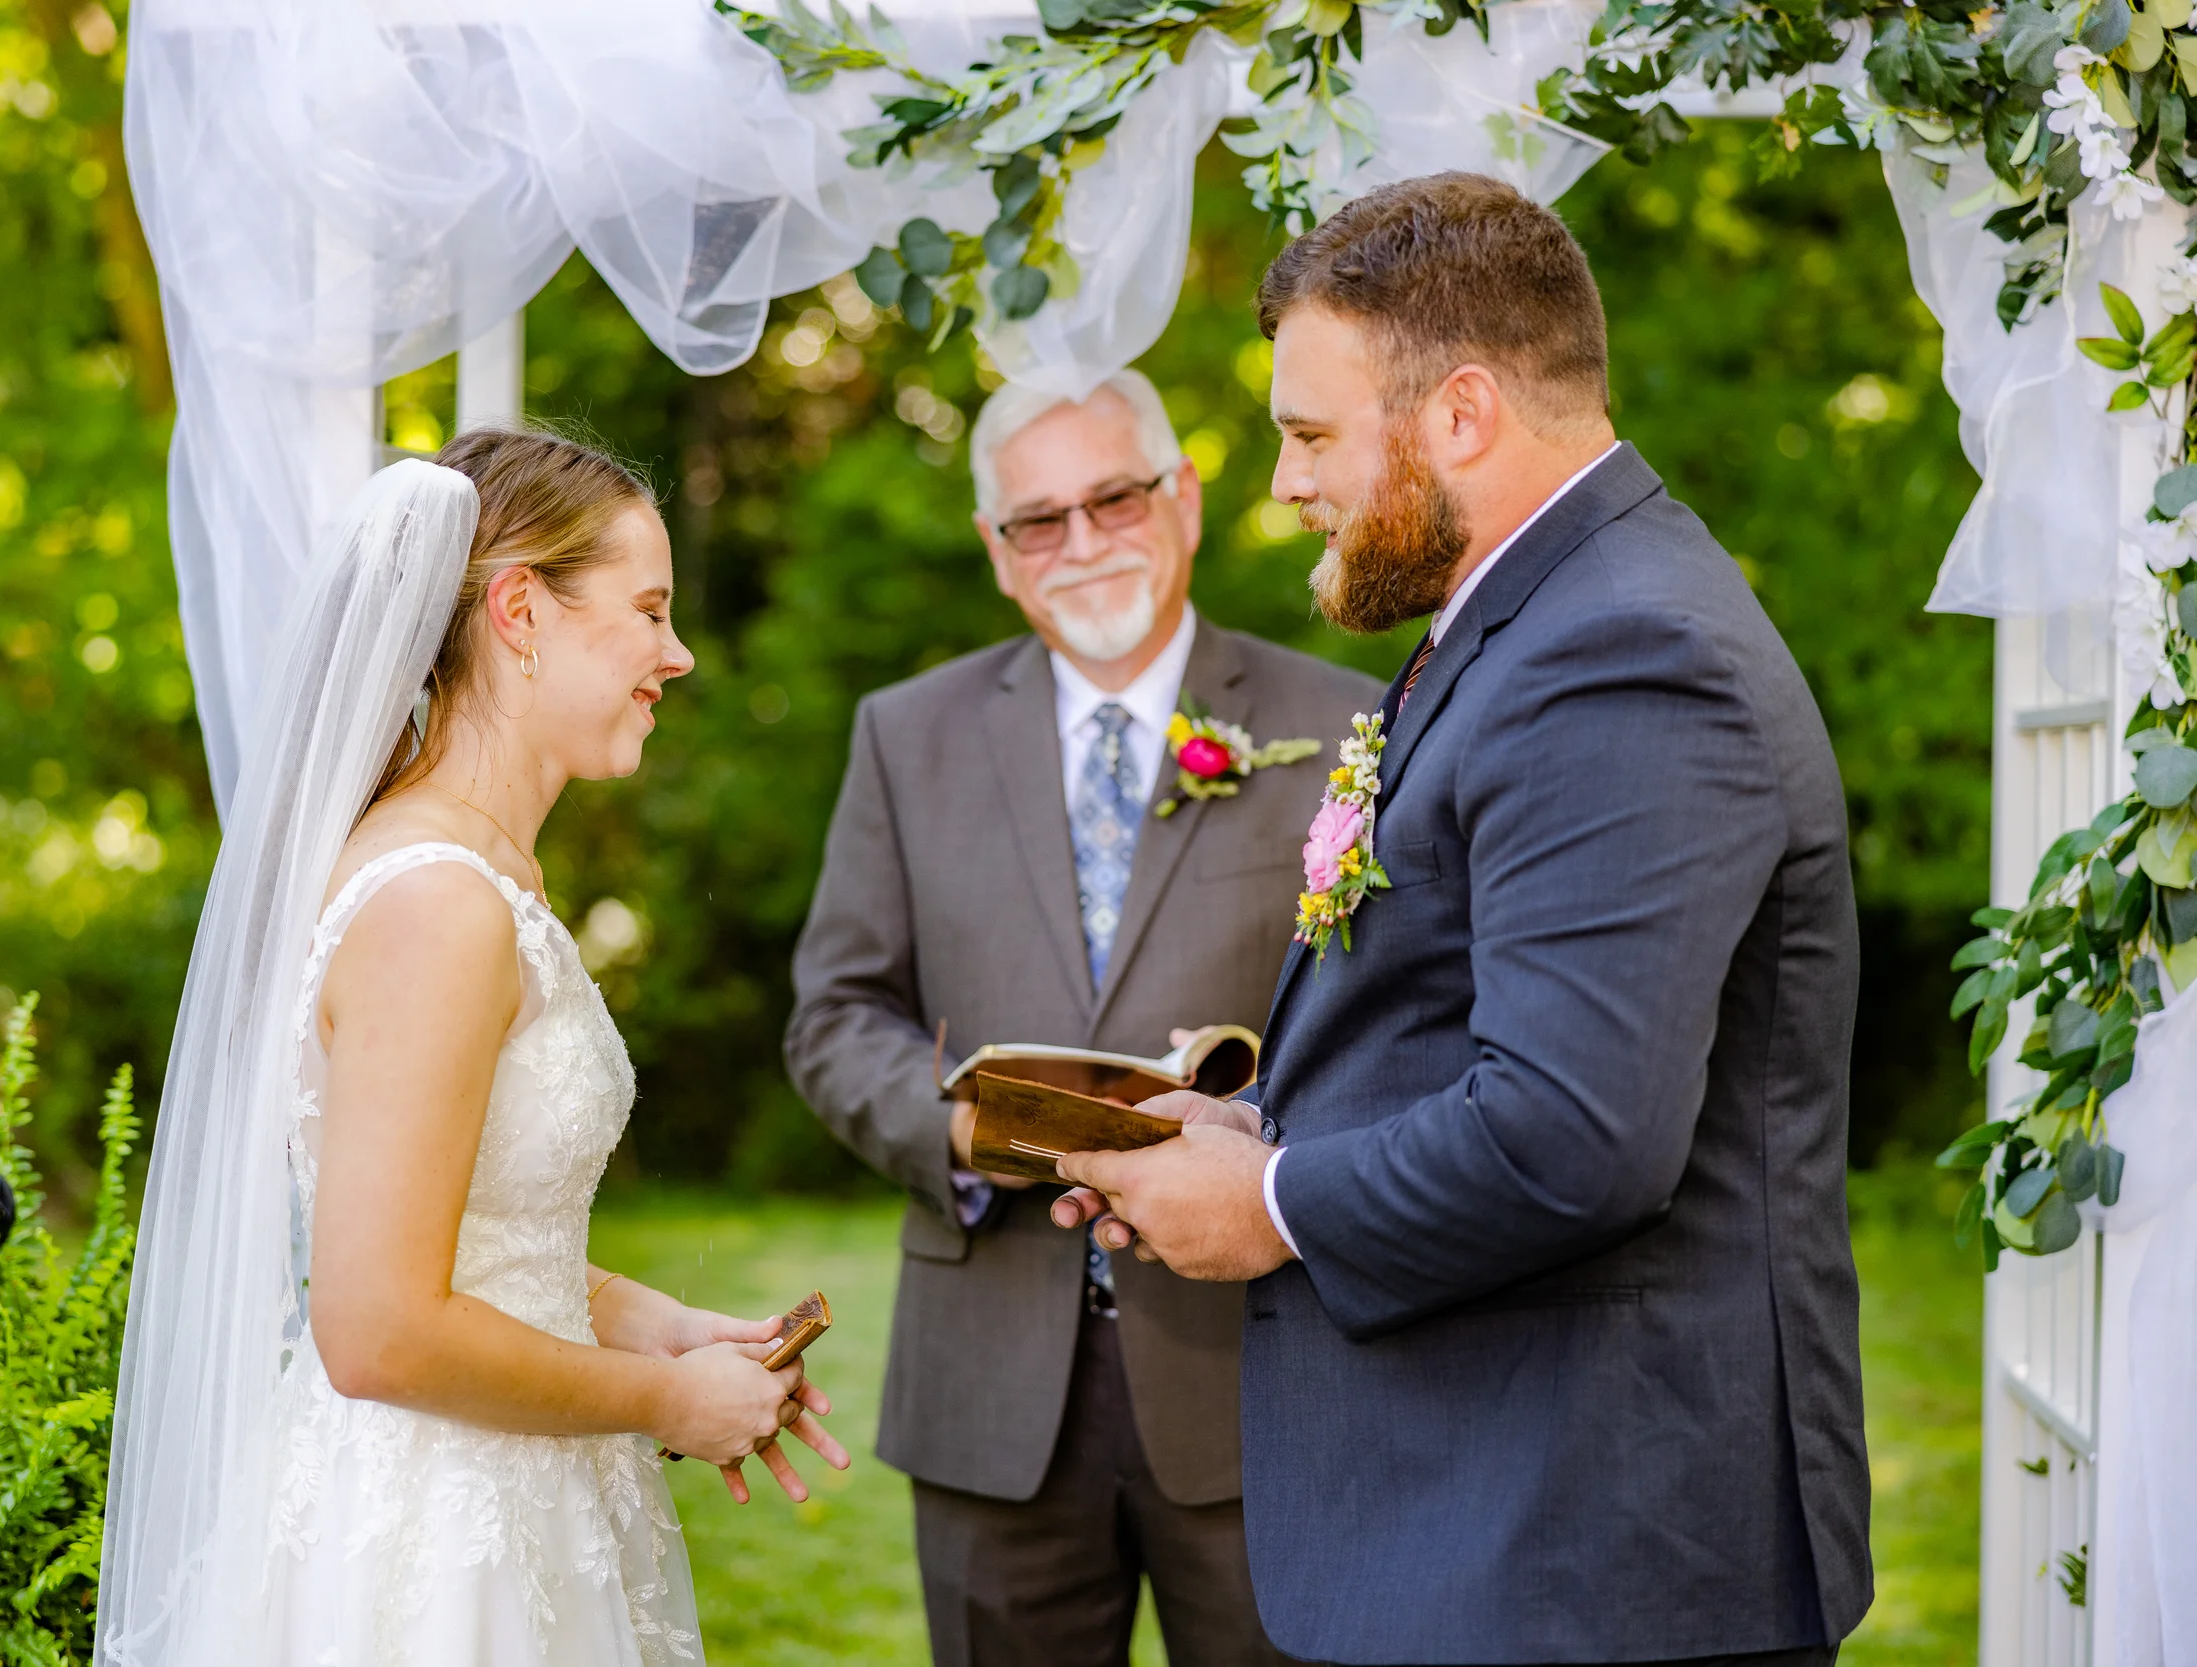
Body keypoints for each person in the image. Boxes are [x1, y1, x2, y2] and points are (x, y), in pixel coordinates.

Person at [1051, 174, 1874, 1665]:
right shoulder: (1529, 618)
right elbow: (1460, 1030)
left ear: (1463, 413)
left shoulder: (1623, 653)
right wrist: (1251, 1132)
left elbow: (1573, 1131)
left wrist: (1272, 1206)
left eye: (1309, 434)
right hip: (1505, 1535)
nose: (1286, 481)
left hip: (1584, 1558)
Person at [98, 428, 847, 1667]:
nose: (679, 653)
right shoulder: (436, 903)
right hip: (428, 1551)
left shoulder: (486, 875)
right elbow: (376, 1324)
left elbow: (477, 1235)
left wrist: (653, 1324)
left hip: (521, 1496)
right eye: (648, 610)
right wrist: (669, 1403)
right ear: (519, 610)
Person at [787, 368, 1379, 1666]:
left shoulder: (1341, 723)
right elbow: (835, 1014)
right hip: (992, 1378)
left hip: (1264, 1370)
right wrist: (959, 1125)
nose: (1082, 541)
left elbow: (1395, 1021)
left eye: (1112, 498)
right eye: (1036, 520)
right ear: (1000, 556)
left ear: (1181, 498)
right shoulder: (909, 733)